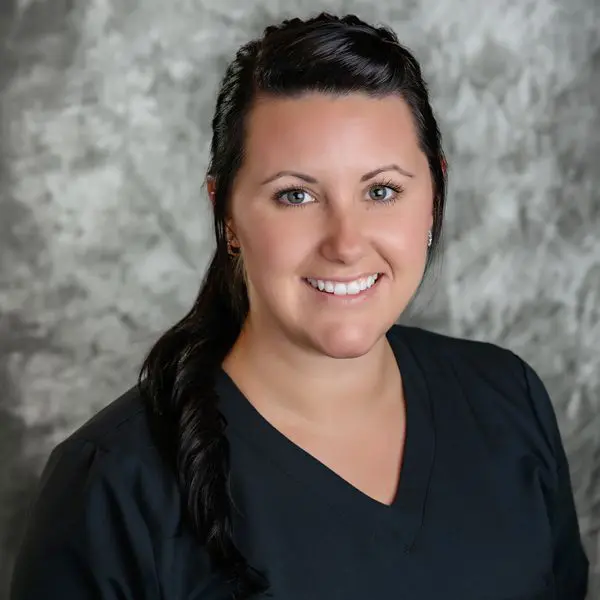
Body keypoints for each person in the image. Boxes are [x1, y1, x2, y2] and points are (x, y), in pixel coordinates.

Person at [10, 12, 589, 600]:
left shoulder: (508, 400)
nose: (345, 243)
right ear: (227, 214)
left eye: (381, 191)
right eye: (296, 195)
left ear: (435, 194)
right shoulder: (110, 482)